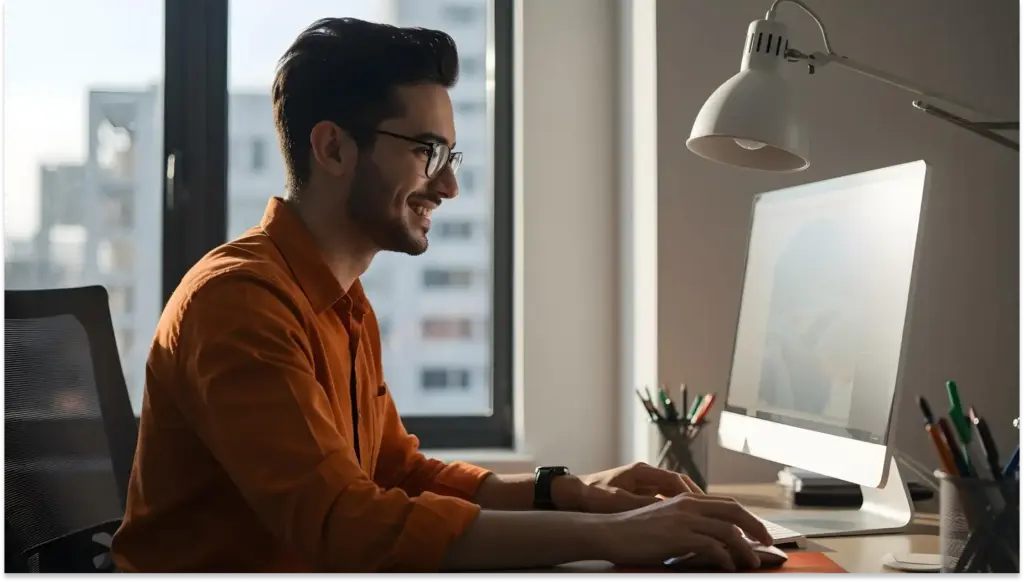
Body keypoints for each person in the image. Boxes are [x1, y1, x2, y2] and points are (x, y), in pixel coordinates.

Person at [110, 18, 771, 574]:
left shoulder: (340, 300)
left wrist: (579, 493)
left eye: (453, 156)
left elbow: (397, 474)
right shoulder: (241, 304)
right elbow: (346, 526)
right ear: (333, 147)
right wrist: (617, 536)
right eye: (429, 151)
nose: (448, 186)